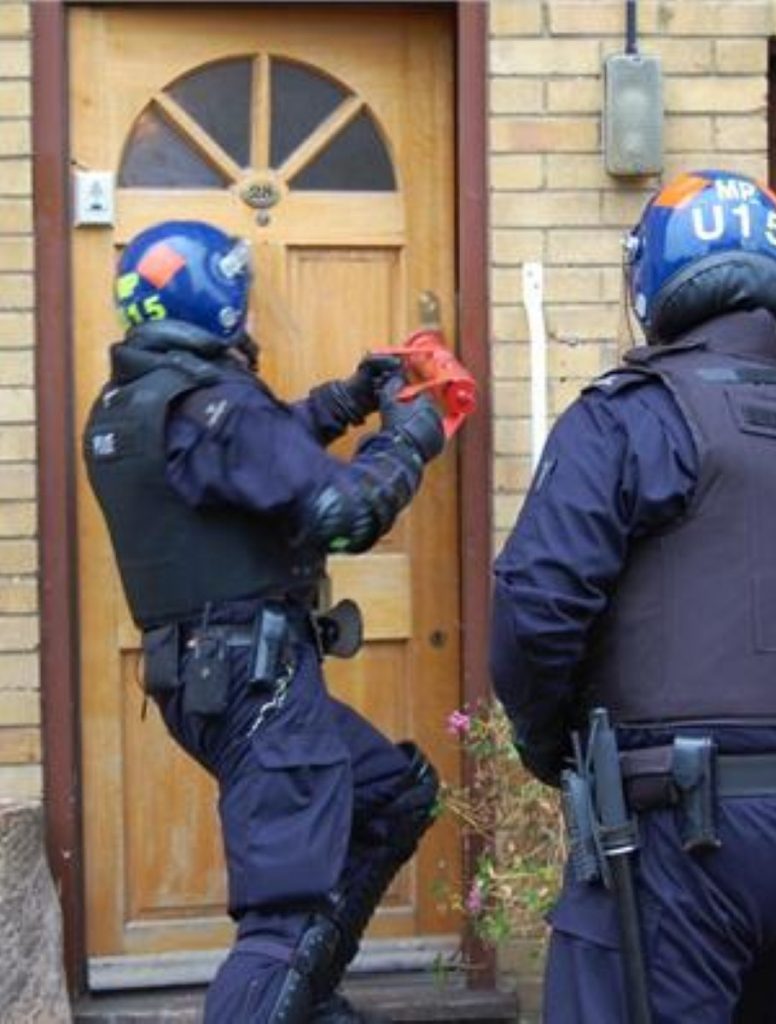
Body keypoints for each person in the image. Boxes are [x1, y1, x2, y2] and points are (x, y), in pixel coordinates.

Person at [489, 171, 776, 1023]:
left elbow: (535, 604)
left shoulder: (633, 417)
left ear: (652, 279)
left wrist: (546, 744)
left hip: (681, 832)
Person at [83, 220, 449, 1024]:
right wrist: (408, 441)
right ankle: (277, 993)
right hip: (261, 686)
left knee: (390, 796)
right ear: (217, 299)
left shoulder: (137, 405)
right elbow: (346, 514)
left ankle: (303, 999)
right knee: (282, 912)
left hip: (210, 682)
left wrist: (347, 401)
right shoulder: (212, 407)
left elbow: (251, 456)